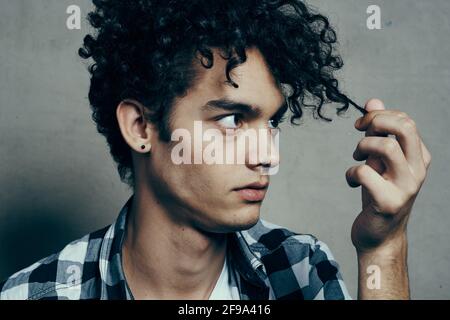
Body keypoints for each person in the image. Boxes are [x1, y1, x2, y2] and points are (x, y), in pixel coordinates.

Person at [0, 0, 431, 300]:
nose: (267, 155)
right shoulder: (43, 292)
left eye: (272, 122)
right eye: (231, 120)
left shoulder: (301, 271)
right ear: (140, 126)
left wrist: (384, 248)